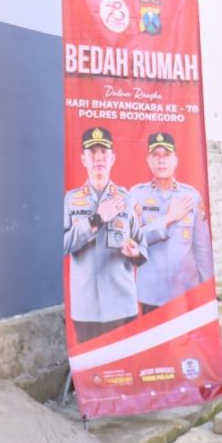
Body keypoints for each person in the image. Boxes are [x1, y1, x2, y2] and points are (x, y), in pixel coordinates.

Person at [64, 127, 148, 343]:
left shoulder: (127, 199)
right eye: (93, 152)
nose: (98, 158)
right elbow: (62, 244)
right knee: (91, 372)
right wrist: (96, 219)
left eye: (104, 152)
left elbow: (143, 248)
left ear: (113, 158)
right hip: (86, 308)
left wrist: (134, 252)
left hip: (122, 304)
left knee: (125, 367)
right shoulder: (70, 200)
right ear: (83, 158)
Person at [128, 132, 214, 313]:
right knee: (155, 341)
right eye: (156, 155)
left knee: (186, 341)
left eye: (166, 155)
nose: (161, 161)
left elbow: (202, 250)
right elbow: (132, 240)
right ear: (148, 161)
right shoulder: (136, 195)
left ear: (175, 160)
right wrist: (168, 219)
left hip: (186, 291)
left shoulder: (191, 196)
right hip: (152, 295)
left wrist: (207, 291)